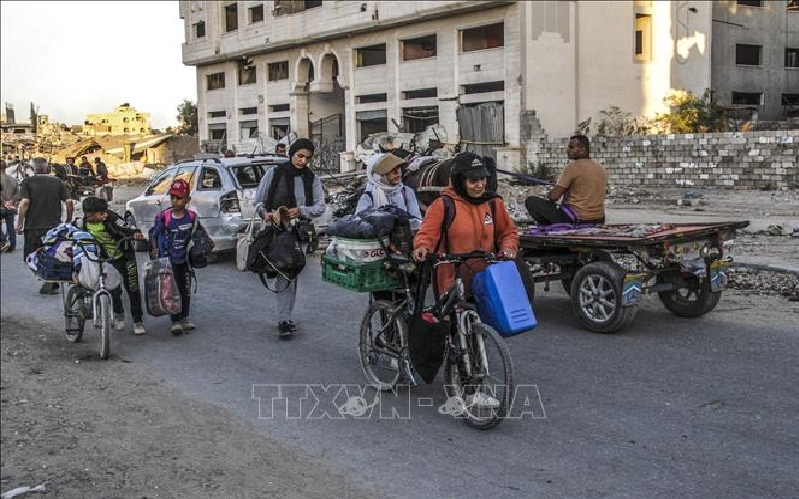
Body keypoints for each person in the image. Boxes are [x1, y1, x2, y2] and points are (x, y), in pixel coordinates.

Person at [413, 152, 519, 298]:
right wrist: (422, 247)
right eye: (473, 181)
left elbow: (507, 232)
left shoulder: (493, 203)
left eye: (483, 179)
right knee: (457, 318)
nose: (480, 185)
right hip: (454, 280)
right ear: (460, 181)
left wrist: (508, 247)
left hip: (489, 278)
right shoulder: (443, 205)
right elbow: (427, 233)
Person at [254, 138, 326, 339]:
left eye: (307, 157)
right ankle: (283, 318)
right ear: (292, 154)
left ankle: (285, 317)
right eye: (299, 156)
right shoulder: (274, 174)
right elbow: (258, 202)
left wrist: (301, 211)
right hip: (275, 232)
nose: (303, 161)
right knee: (282, 273)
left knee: (290, 274)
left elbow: (320, 207)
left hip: (298, 234)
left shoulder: (312, 179)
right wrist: (265, 214)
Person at [77, 197, 147, 335]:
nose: (104, 215)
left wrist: (136, 233)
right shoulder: (85, 223)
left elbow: (129, 228)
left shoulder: (113, 218)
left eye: (104, 212)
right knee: (113, 288)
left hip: (125, 256)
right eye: (99, 213)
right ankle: (118, 313)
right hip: (107, 259)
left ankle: (138, 321)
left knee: (132, 288)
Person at [150, 179, 204, 335]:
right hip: (168, 260)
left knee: (185, 289)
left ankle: (184, 317)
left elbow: (199, 232)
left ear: (187, 199)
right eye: (172, 197)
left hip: (185, 259)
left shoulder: (192, 217)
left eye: (179, 197)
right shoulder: (164, 217)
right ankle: (175, 320)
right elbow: (155, 235)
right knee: (172, 290)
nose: (175, 201)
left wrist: (205, 244)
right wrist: (155, 251)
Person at [15, 157, 74, 293]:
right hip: (54, 227)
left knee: (31, 256)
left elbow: (24, 203)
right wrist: (68, 219)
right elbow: (69, 202)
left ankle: (45, 277)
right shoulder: (57, 181)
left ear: (33, 168)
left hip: (33, 226)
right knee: (52, 253)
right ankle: (51, 280)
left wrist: (19, 223)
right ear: (47, 168)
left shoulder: (27, 181)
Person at [525, 134, 608, 226]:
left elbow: (554, 197)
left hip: (576, 219)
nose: (568, 150)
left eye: (571, 147)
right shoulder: (601, 168)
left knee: (531, 201)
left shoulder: (572, 168)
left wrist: (551, 192)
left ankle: (549, 227)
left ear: (582, 150)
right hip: (599, 219)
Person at [355, 152, 423, 232]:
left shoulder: (406, 192)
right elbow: (359, 224)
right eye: (391, 170)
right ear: (378, 176)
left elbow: (417, 222)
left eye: (398, 168)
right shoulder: (369, 196)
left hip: (403, 240)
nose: (397, 173)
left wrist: (404, 219)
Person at [1, 160, 20, 252]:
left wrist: (4, 203)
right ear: (6, 167)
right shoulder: (13, 180)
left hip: (1, 206)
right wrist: (11, 202)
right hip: (10, 207)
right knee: (10, 227)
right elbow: (17, 194)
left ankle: (3, 241)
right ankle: (13, 246)